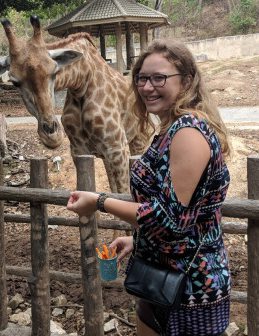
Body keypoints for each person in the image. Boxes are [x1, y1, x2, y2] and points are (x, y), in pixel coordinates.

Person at [66, 39, 231, 336]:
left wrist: (100, 202)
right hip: (158, 278)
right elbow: (180, 212)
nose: (147, 87)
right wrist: (137, 241)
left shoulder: (189, 133)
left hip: (191, 290)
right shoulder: (168, 129)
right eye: (142, 78)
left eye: (159, 78)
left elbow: (170, 222)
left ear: (187, 81)